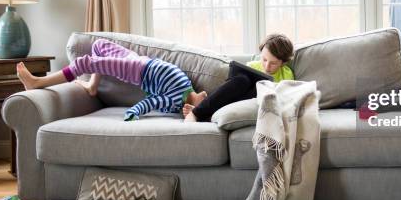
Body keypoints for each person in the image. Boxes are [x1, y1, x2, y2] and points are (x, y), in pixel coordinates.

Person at [16, 38, 207, 121]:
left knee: (86, 62)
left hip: (138, 69)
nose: (206, 96)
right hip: (139, 64)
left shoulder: (178, 100)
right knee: (99, 46)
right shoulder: (185, 91)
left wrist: (135, 111)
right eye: (206, 101)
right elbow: (156, 99)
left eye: (205, 103)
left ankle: (37, 83)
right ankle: (92, 86)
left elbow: (154, 101)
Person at [183, 33, 294, 122]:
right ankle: (197, 113)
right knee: (242, 80)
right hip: (233, 99)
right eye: (264, 59)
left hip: (255, 102)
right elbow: (233, 91)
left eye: (273, 63)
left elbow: (287, 96)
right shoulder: (252, 66)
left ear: (283, 63)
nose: (267, 66)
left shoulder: (287, 74)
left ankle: (202, 113)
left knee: (262, 87)